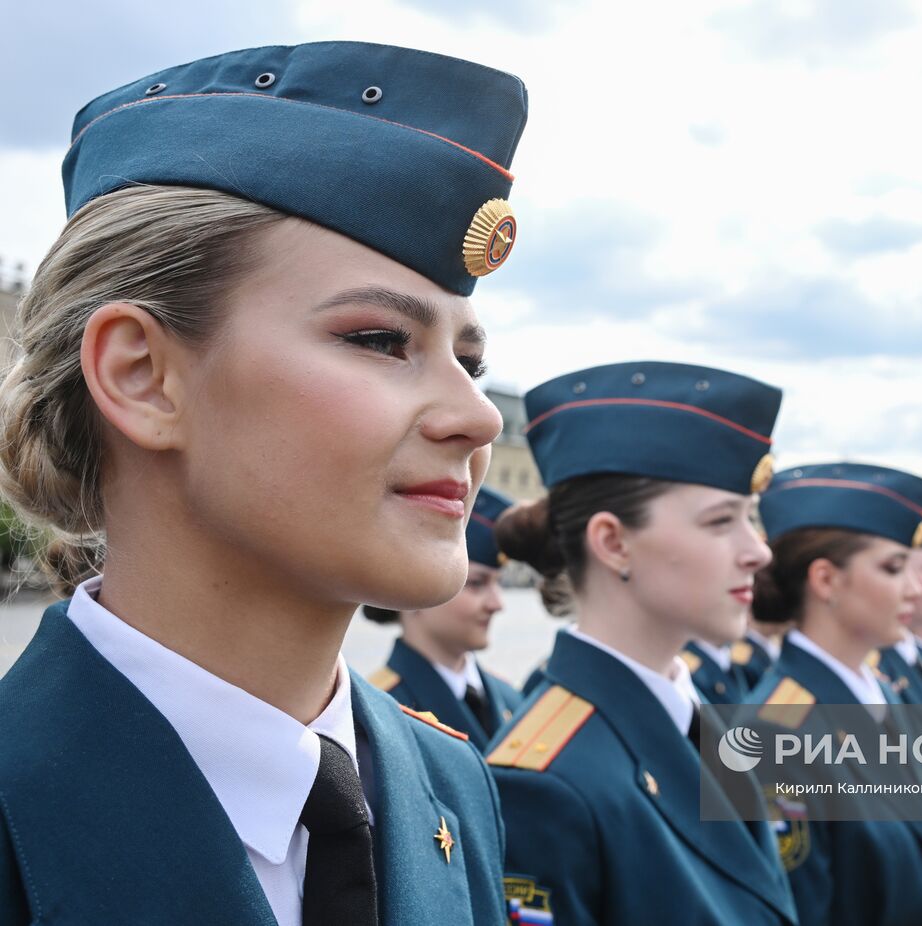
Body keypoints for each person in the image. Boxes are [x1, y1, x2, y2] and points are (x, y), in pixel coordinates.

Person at [0, 41, 528, 925]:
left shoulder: (446, 781)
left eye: (470, 362)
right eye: (379, 340)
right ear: (140, 376)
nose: (478, 419)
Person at [486, 361, 798, 926]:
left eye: (751, 520)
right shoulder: (547, 785)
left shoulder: (695, 722)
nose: (759, 552)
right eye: (721, 521)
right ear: (613, 542)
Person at [746, 462, 922, 926]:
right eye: (893, 567)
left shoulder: (876, 689)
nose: (916, 588)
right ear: (826, 580)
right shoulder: (774, 733)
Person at [365, 486, 523, 746]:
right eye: (476, 583)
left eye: (499, 583)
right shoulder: (377, 716)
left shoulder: (511, 698)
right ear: (413, 589)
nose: (497, 604)